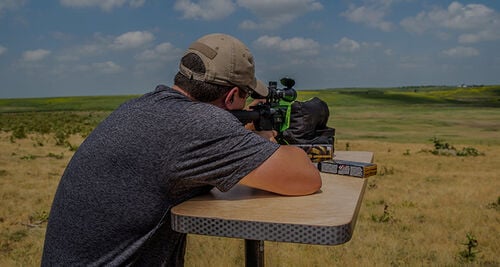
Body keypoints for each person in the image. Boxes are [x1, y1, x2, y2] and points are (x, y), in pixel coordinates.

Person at [41, 33, 321, 266]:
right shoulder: (200, 123)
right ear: (233, 95)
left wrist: (243, 135)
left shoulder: (141, 106)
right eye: (245, 96)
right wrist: (263, 137)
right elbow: (305, 178)